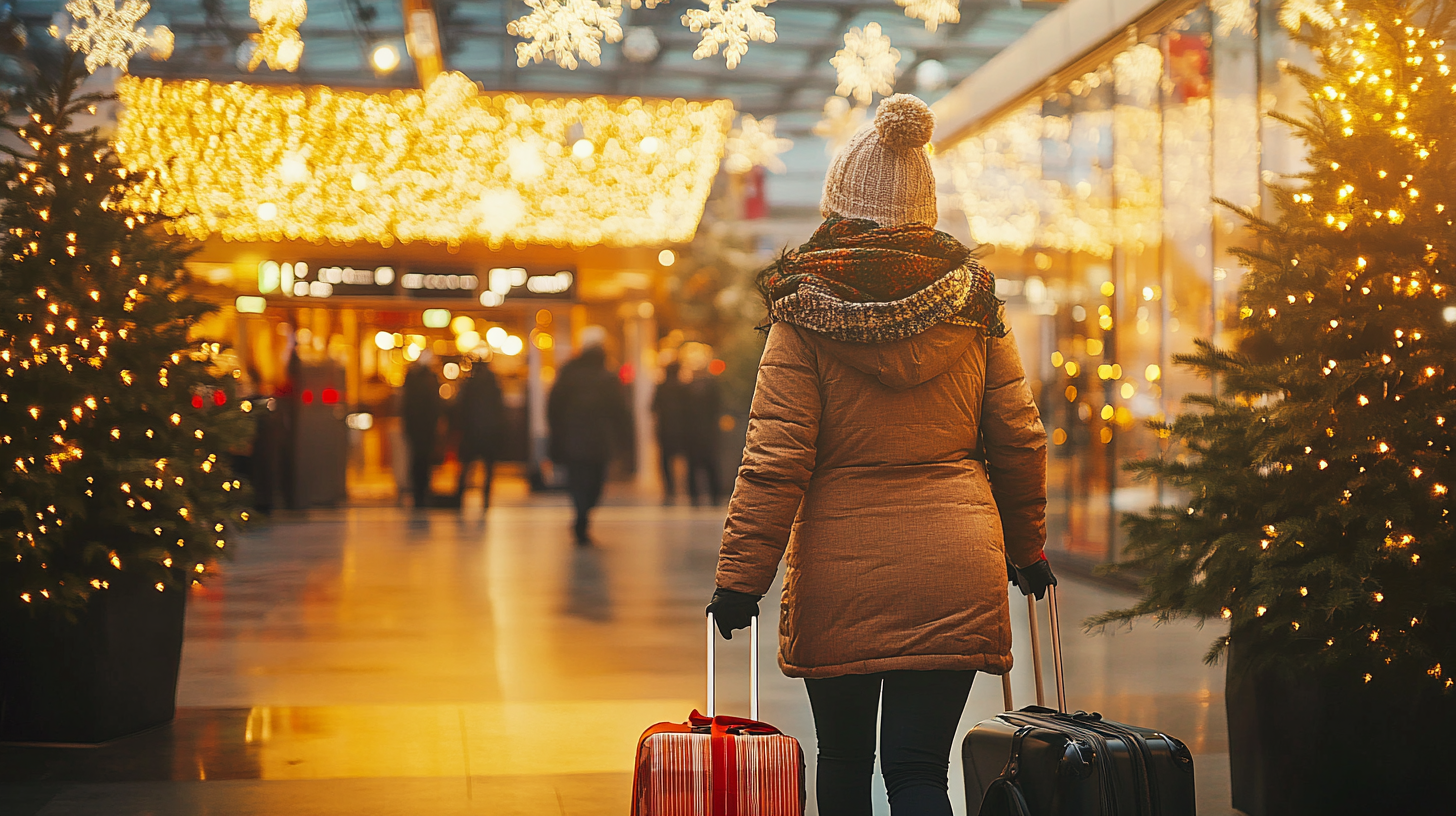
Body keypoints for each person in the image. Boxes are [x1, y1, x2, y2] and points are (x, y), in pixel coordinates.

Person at [706, 94, 1055, 816]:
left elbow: (775, 458)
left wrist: (742, 581)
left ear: (840, 205)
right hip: (956, 562)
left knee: (844, 764)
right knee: (920, 768)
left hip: (844, 568)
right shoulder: (975, 305)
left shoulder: (801, 312)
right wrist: (1027, 551)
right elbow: (1018, 437)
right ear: (925, 207)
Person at [548, 326, 632, 545]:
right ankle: (583, 516)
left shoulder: (569, 372)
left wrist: (555, 435)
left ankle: (581, 514)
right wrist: (625, 440)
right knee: (595, 483)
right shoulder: (607, 375)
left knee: (577, 482)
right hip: (598, 440)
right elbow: (619, 411)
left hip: (572, 439)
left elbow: (553, 407)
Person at [454, 362, 506, 509]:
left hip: (471, 432)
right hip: (489, 433)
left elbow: (461, 408)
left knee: (466, 468)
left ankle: (459, 497)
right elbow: (500, 410)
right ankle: (486, 499)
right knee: (488, 469)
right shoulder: (494, 386)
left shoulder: (469, 385)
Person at [678, 343, 723, 506]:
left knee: (701, 465)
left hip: (698, 431)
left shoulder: (692, 387)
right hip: (700, 431)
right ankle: (707, 496)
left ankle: (701, 497)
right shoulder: (697, 386)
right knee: (704, 465)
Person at [401, 350, 441, 510]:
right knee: (423, 461)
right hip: (425, 427)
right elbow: (435, 406)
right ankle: (422, 493)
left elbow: (406, 404)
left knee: (417, 460)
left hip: (416, 427)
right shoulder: (429, 378)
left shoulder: (412, 378)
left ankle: (418, 494)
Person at [651, 359, 686, 504]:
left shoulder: (662, 387)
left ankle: (669, 488)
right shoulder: (683, 388)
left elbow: (652, 407)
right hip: (682, 429)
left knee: (665, 459)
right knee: (684, 459)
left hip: (665, 429)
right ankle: (682, 487)